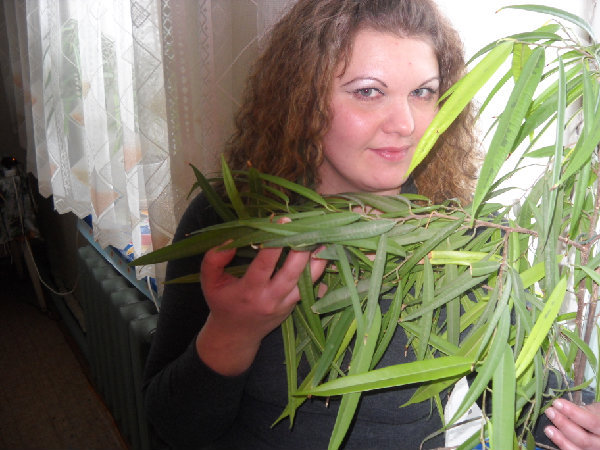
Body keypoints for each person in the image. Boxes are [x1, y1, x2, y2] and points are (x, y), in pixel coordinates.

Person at [142, 0, 599, 448]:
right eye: (368, 92)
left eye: (423, 92)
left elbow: (517, 392)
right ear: (302, 98)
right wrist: (232, 333)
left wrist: (582, 421)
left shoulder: (464, 237)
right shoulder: (231, 222)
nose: (405, 124)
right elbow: (170, 427)